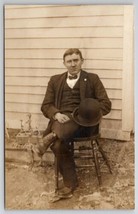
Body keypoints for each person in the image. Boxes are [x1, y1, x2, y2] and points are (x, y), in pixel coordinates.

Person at [41, 48, 111, 197]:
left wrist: (90, 112)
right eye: (69, 61)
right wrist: (56, 114)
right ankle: (71, 183)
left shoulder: (93, 78)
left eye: (76, 60)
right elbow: (46, 105)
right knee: (58, 144)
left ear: (82, 61)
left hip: (85, 124)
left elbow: (106, 104)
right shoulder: (54, 80)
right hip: (61, 120)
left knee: (62, 133)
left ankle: (51, 136)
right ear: (64, 63)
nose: (73, 64)